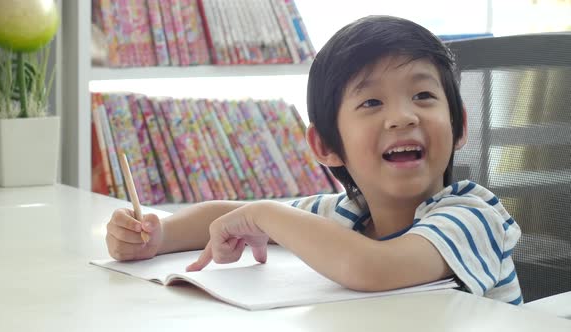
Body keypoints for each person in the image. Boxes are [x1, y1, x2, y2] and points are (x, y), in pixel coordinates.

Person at [105, 15, 523, 304]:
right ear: (325, 145)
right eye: (372, 101)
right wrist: (157, 236)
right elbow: (227, 215)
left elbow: (373, 268)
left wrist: (267, 216)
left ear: (459, 125)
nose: (402, 117)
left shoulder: (472, 215)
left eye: (424, 96)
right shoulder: (347, 213)